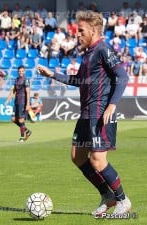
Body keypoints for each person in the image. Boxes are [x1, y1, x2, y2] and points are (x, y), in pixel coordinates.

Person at [37, 11, 131, 216]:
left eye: (81, 31)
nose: (77, 34)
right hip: (87, 113)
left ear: (94, 31)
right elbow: (77, 80)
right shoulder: (88, 54)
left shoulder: (104, 49)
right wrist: (53, 74)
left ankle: (123, 200)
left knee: (97, 159)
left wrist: (112, 105)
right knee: (77, 156)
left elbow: (122, 77)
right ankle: (107, 195)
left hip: (100, 113)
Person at [5, 65, 32, 142]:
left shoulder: (26, 80)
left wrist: (27, 104)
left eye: (22, 71)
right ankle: (27, 131)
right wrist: (9, 99)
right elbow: (14, 90)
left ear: (24, 71)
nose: (21, 72)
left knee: (20, 119)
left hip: (22, 102)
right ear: (18, 72)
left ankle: (22, 137)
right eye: (19, 71)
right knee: (13, 119)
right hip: (16, 101)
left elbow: (28, 92)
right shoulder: (16, 79)